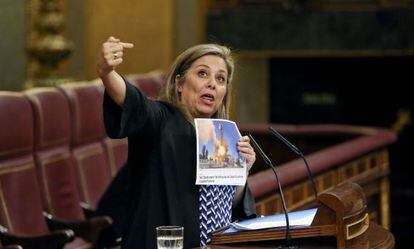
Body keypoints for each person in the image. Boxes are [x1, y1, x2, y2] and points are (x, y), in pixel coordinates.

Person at [97, 36, 257, 248]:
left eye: (221, 79)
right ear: (179, 83)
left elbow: (226, 205)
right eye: (202, 74)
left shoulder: (223, 136)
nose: (212, 83)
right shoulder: (160, 118)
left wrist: (242, 171)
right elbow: (131, 99)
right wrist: (107, 72)